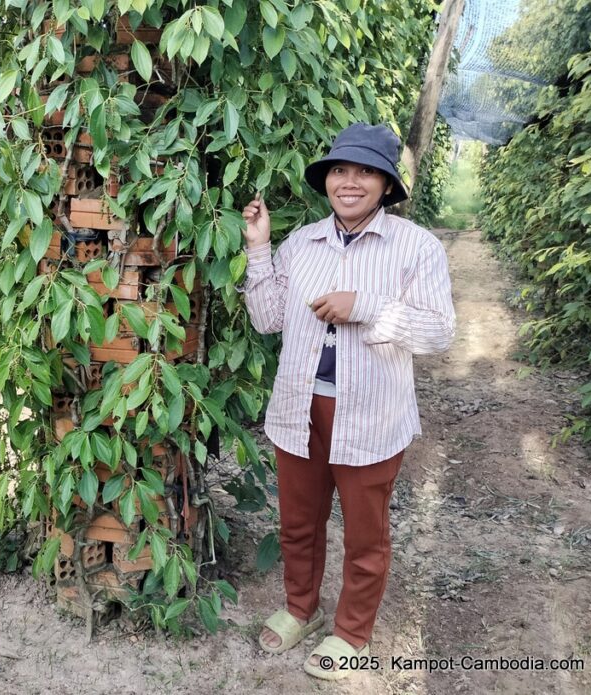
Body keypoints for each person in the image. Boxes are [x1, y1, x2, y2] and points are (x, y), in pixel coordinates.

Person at [240, 123, 455, 680]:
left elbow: (437, 333)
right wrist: (259, 247)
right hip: (300, 407)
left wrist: (365, 305)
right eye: (340, 170)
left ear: (386, 184)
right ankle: (299, 608)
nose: (349, 182)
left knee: (365, 532)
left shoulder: (416, 248)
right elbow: (266, 319)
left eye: (364, 171)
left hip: (372, 415)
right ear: (326, 180)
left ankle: (352, 630)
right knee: (298, 523)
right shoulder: (302, 244)